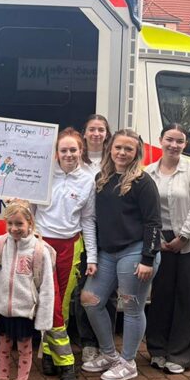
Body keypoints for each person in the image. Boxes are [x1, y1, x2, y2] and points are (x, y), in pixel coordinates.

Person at [80, 129, 161, 380]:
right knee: (91, 302)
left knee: (132, 308)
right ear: (110, 149)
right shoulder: (101, 178)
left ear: (137, 151)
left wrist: (148, 259)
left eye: (128, 148)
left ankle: (128, 362)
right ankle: (109, 355)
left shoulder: (143, 182)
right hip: (107, 253)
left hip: (135, 252)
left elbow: (153, 223)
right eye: (118, 147)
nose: (122, 153)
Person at [34, 128, 97, 380]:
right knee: (49, 300)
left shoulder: (88, 180)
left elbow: (88, 219)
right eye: (64, 150)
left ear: (80, 151)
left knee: (61, 305)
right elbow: (28, 212)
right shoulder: (42, 175)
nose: (69, 154)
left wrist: (91, 256)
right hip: (41, 246)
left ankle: (49, 355)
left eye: (73, 150)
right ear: (56, 152)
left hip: (71, 248)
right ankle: (66, 361)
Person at [0, 200, 55, 380]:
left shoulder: (39, 250)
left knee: (24, 350)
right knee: (2, 348)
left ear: (30, 222)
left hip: (25, 312)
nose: (14, 229)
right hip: (2, 310)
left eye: (19, 223)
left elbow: (47, 287)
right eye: (10, 223)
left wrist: (43, 319)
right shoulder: (0, 243)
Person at [145, 124, 190, 374]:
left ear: (185, 145)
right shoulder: (149, 172)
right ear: (160, 140)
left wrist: (184, 236)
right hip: (160, 240)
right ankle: (157, 349)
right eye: (169, 139)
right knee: (160, 297)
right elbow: (147, 211)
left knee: (188, 298)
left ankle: (180, 354)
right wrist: (158, 238)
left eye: (179, 141)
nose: (173, 145)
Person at [73, 114, 115, 364]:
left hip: (109, 232)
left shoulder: (114, 160)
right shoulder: (77, 159)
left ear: (107, 134)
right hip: (81, 230)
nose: (97, 133)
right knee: (83, 289)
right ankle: (87, 342)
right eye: (92, 129)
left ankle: (105, 342)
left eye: (101, 129)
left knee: (108, 291)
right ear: (84, 133)